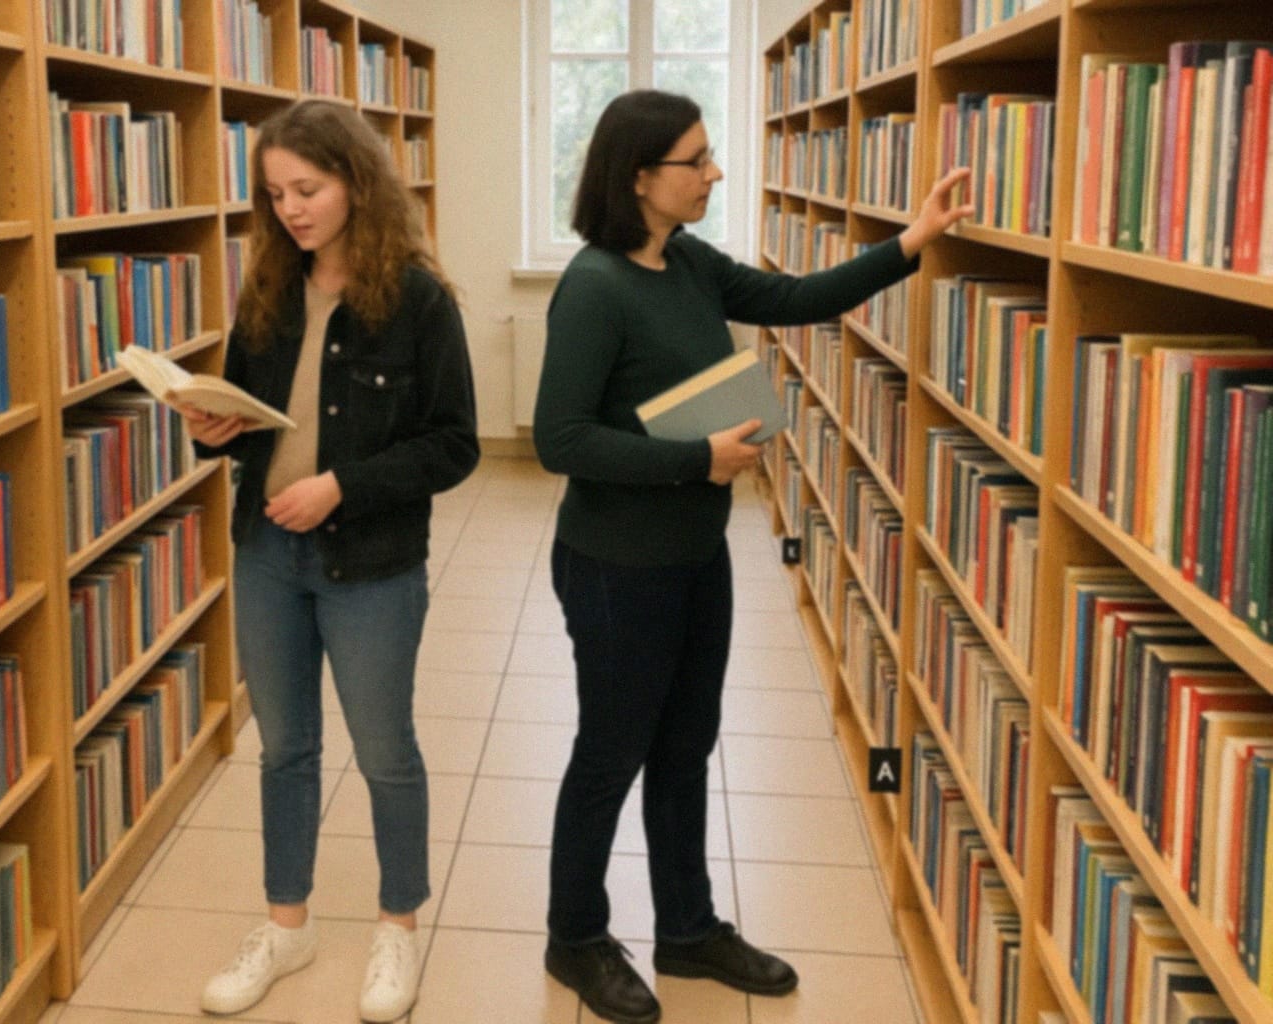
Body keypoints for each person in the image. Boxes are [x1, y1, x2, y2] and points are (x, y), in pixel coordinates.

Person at [533, 89, 972, 1024]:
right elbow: (559, 440)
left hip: (698, 554)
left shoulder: (687, 262)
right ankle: (575, 935)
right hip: (616, 565)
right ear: (641, 176)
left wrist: (911, 241)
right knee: (612, 752)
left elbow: (793, 298)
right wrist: (699, 459)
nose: (715, 173)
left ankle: (687, 929)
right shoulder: (596, 285)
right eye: (697, 160)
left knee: (686, 745)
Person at [186, 100, 479, 1022]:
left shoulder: (419, 301)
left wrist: (343, 485)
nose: (291, 211)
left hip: (371, 561)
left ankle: (397, 926)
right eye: (275, 195)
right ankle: (287, 924)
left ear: (357, 181)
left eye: (307, 189)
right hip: (268, 549)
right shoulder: (268, 291)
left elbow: (455, 446)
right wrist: (211, 429)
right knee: (285, 751)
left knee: (385, 751)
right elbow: (251, 427)